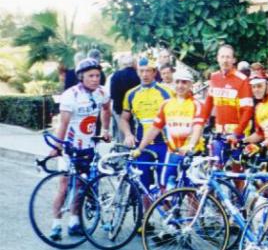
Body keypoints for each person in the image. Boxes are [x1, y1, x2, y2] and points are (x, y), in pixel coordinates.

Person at [49, 58, 112, 240]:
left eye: (97, 75)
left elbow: (107, 109)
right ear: (81, 77)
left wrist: (105, 129)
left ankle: (75, 221)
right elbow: (64, 123)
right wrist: (57, 146)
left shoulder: (101, 93)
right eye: (90, 76)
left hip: (88, 147)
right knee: (63, 185)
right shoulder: (71, 95)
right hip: (70, 148)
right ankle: (56, 224)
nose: (95, 79)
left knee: (81, 186)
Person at [132, 69, 205, 189]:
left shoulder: (197, 104)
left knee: (192, 192)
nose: (180, 86)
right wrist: (140, 148)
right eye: (177, 82)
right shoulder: (166, 104)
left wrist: (190, 146)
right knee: (165, 190)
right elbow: (154, 129)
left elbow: (198, 127)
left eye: (184, 82)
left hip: (192, 154)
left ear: (191, 84)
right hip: (172, 153)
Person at [120, 56, 174, 200]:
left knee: (165, 184)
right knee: (143, 184)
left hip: (163, 144)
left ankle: (169, 219)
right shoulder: (131, 94)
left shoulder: (166, 92)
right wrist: (127, 134)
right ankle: (145, 221)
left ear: (155, 72)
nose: (145, 74)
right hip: (141, 145)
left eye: (148, 71)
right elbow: (124, 119)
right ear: (137, 72)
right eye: (141, 71)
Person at [205, 44, 254, 139]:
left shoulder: (242, 79)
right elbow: (208, 103)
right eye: (222, 57)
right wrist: (202, 123)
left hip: (238, 134)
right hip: (218, 132)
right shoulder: (214, 77)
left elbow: (248, 110)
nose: (225, 60)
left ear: (234, 60)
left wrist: (237, 133)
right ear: (217, 58)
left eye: (228, 57)